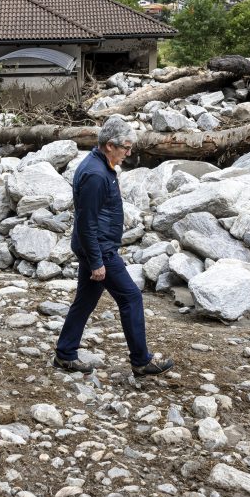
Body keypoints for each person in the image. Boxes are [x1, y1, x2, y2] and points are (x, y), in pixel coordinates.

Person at [54, 115, 174, 377]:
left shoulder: (99, 166)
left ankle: (65, 354)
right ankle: (141, 361)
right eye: (126, 147)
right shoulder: (96, 174)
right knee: (131, 297)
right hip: (99, 249)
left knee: (85, 300)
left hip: (95, 246)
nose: (128, 153)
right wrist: (97, 261)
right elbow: (86, 222)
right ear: (110, 145)